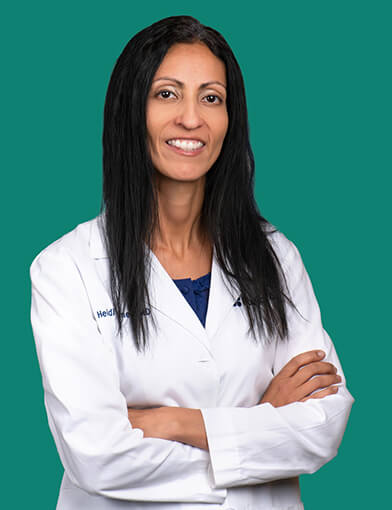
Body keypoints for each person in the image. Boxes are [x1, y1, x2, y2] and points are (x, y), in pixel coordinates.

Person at [30, 15, 354, 510]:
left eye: (211, 97)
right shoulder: (66, 269)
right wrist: (262, 422)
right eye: (166, 94)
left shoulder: (276, 256)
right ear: (129, 111)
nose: (191, 118)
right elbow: (96, 457)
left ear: (230, 118)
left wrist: (176, 423)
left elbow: (324, 426)